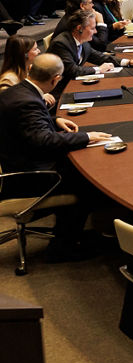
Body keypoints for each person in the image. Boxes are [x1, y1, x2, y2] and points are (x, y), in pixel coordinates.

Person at [0, 54, 114, 260]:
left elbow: (25, 126)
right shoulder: (28, 102)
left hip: (13, 161)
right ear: (55, 79)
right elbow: (44, 142)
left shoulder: (17, 91)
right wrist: (86, 137)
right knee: (89, 180)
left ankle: (70, 234)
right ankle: (63, 246)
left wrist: (55, 120)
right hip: (27, 177)